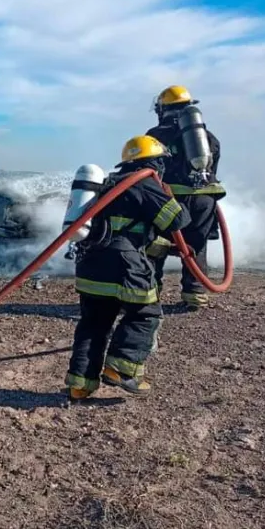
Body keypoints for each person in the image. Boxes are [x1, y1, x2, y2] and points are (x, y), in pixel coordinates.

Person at [65, 135, 191, 401]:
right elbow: (177, 219)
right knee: (146, 314)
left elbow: (128, 229)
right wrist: (168, 195)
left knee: (93, 323)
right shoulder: (144, 183)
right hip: (123, 266)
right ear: (155, 162)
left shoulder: (108, 183)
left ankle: (80, 384)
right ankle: (122, 369)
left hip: (90, 265)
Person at [145, 85, 225, 310]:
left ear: (164, 109)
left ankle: (149, 293)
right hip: (204, 201)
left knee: (155, 243)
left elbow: (149, 171)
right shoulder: (209, 139)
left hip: (170, 199)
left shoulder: (155, 136)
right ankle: (195, 294)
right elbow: (212, 172)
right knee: (196, 245)